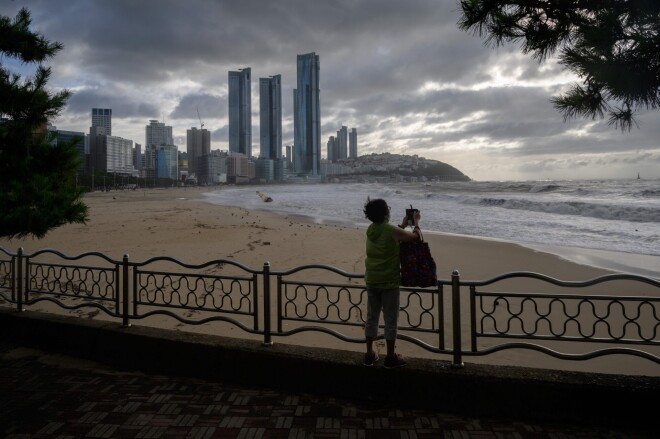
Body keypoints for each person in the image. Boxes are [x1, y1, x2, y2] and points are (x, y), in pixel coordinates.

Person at [363, 198, 421, 368]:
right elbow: (414, 238)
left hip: (372, 279)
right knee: (390, 320)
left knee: (371, 317)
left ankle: (369, 354)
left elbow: (390, 236)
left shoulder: (371, 229)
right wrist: (416, 222)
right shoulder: (390, 230)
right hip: (388, 282)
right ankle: (390, 357)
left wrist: (402, 225)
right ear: (385, 213)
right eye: (388, 208)